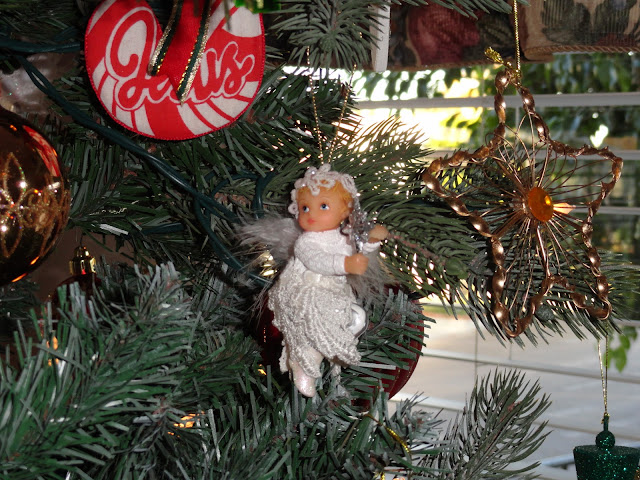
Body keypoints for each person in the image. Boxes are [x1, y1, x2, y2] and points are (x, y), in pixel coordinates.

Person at [268, 164, 388, 397]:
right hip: (306, 290)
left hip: (332, 290)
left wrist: (372, 241)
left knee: (354, 318)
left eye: (323, 206)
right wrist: (345, 264)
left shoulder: (343, 237)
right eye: (305, 208)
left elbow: (357, 250)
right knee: (314, 323)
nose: (311, 214)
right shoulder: (306, 242)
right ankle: (304, 363)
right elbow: (317, 260)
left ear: (345, 211)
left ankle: (330, 349)